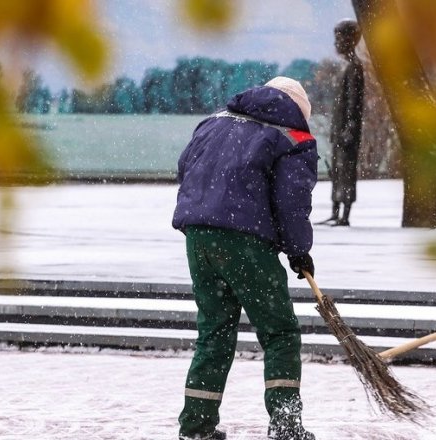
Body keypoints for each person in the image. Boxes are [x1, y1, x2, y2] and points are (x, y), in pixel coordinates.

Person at [172, 76, 318, 440]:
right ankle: (285, 427)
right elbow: (291, 202)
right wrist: (299, 251)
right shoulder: (293, 137)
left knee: (214, 332)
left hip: (199, 236)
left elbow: (185, 169)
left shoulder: (214, 122)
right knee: (280, 333)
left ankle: (196, 425)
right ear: (299, 109)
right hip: (246, 240)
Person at [317, 19, 365, 227]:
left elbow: (354, 105)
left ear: (350, 39)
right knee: (337, 171)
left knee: (345, 171)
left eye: (339, 37)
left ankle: (344, 215)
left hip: (347, 133)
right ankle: (335, 212)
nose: (336, 42)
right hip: (340, 131)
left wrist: (348, 130)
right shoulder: (346, 67)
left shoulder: (355, 68)